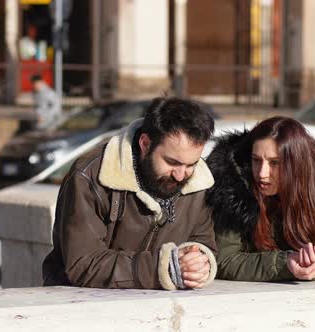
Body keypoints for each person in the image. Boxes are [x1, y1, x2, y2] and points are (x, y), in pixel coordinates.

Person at [42, 96, 218, 290]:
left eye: (191, 164)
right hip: (81, 305)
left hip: (161, 308)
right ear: (145, 144)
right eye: (172, 162)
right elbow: (83, 263)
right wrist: (164, 268)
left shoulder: (199, 181)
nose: (180, 175)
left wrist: (198, 264)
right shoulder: (90, 175)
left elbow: (203, 243)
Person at [205, 117, 315, 282]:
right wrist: (285, 264)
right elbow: (224, 260)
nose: (262, 173)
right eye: (256, 160)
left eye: (275, 163)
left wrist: (313, 266)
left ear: (296, 164)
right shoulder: (232, 187)